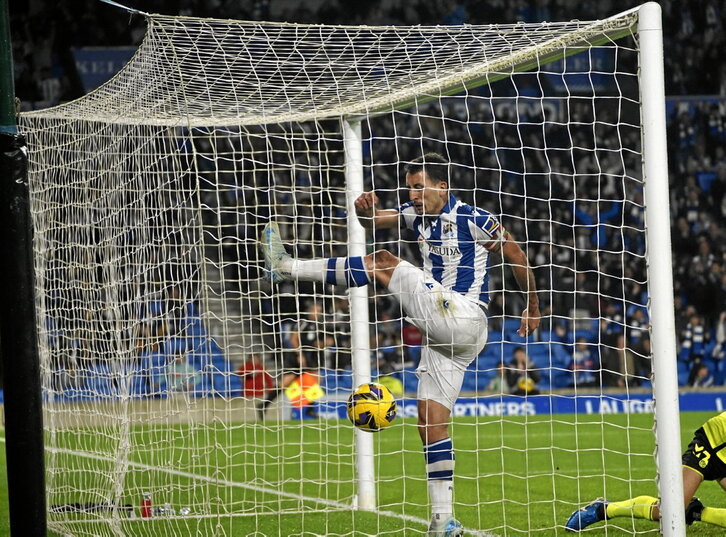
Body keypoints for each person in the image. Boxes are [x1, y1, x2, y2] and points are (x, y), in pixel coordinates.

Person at [260, 152, 540, 536]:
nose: (412, 194)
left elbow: (516, 254)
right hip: (444, 338)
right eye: (409, 187)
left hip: (465, 316)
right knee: (430, 423)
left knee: (385, 261)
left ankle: (287, 268)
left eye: (419, 187)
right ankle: (443, 521)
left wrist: (534, 307)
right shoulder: (415, 214)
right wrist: (365, 210)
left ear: (442, 186)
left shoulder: (475, 219)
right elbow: (375, 221)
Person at [565, 411, 726, 531]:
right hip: (711, 444)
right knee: (666, 511)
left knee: (676, 509)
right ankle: (603, 509)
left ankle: (695, 512)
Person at [257, 300, 325, 419]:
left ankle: (310, 409)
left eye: (320, 311)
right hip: (296, 356)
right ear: (310, 310)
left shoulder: (316, 325)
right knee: (286, 381)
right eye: (317, 311)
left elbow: (310, 342)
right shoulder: (303, 322)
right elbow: (293, 337)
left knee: (316, 378)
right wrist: (299, 354)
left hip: (307, 356)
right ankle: (264, 405)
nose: (318, 313)